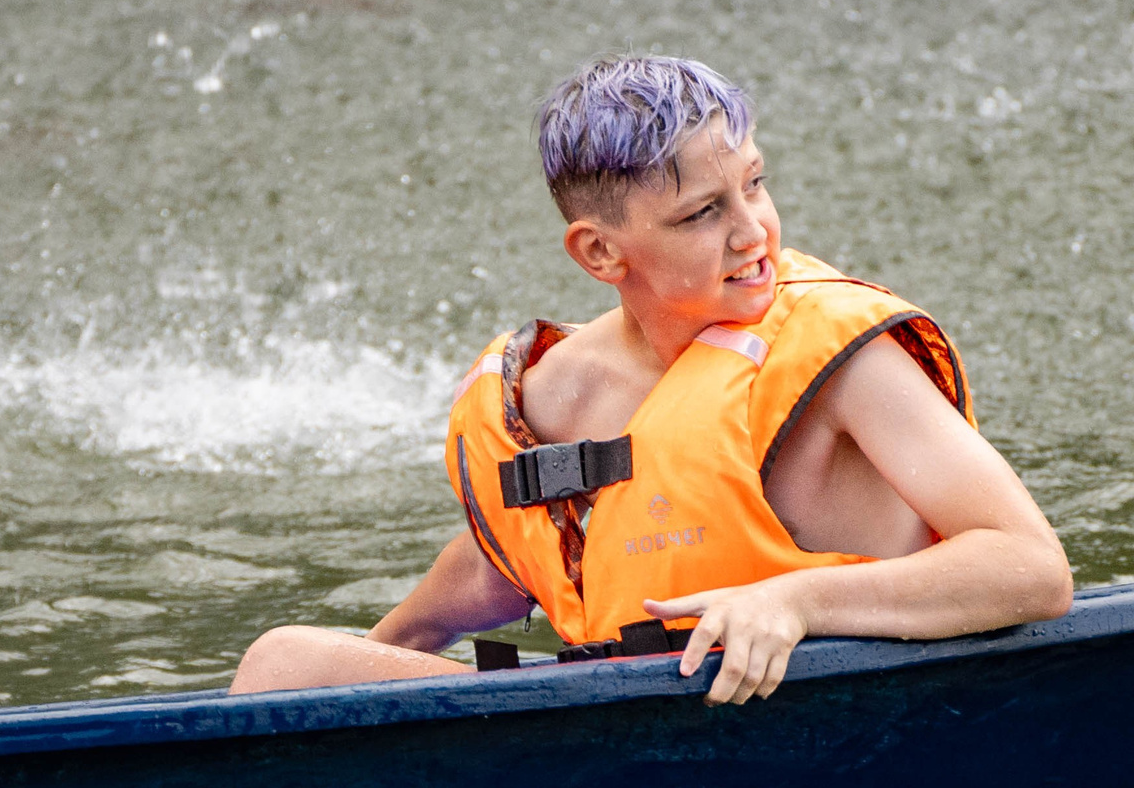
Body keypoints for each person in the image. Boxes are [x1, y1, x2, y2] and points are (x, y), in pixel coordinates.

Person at [231, 54, 1071, 705]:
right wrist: (385, 656)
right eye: (704, 213)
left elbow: (1032, 569)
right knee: (285, 666)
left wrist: (797, 601)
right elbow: (511, 566)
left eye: (754, 185)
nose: (755, 234)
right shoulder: (555, 397)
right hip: (629, 739)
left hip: (819, 720)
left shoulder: (847, 364)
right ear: (601, 251)